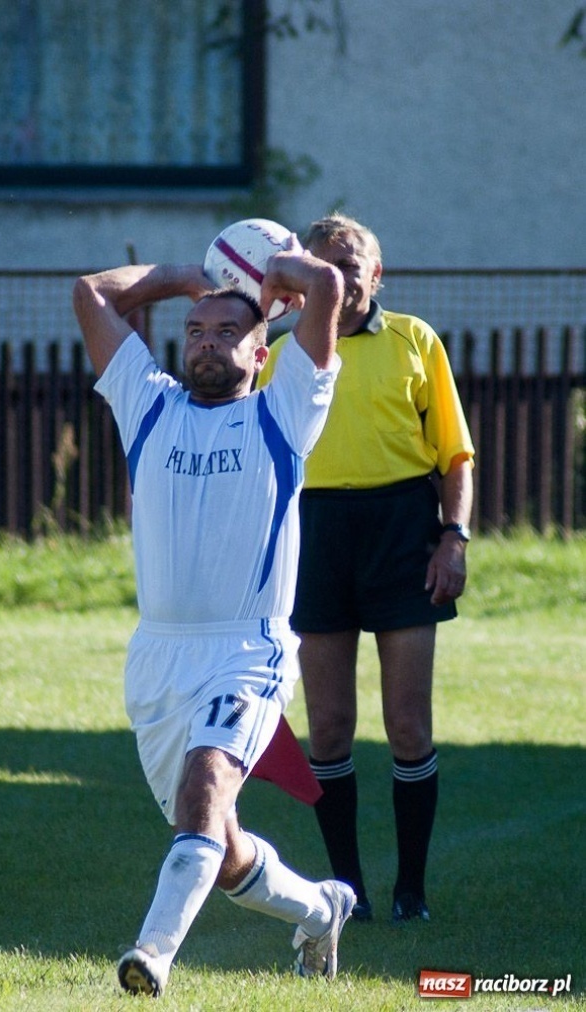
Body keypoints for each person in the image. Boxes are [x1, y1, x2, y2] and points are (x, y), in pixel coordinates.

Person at [72, 240, 356, 998]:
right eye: (195, 332)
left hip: (247, 652)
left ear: (262, 353)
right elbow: (92, 293)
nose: (205, 343)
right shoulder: (148, 406)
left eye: (227, 332)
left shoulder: (284, 413)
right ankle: (320, 909)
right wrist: (183, 280)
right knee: (219, 848)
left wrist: (277, 276)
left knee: (206, 787)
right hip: (157, 659)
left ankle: (151, 955)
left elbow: (328, 286)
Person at [256, 213, 475, 924]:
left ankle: (412, 890)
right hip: (314, 533)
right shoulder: (279, 355)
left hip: (402, 531)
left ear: (376, 275)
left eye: (351, 265)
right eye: (324, 266)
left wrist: (453, 538)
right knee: (327, 728)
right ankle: (347, 889)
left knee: (408, 726)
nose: (340, 278)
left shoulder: (415, 340)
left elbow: (455, 457)